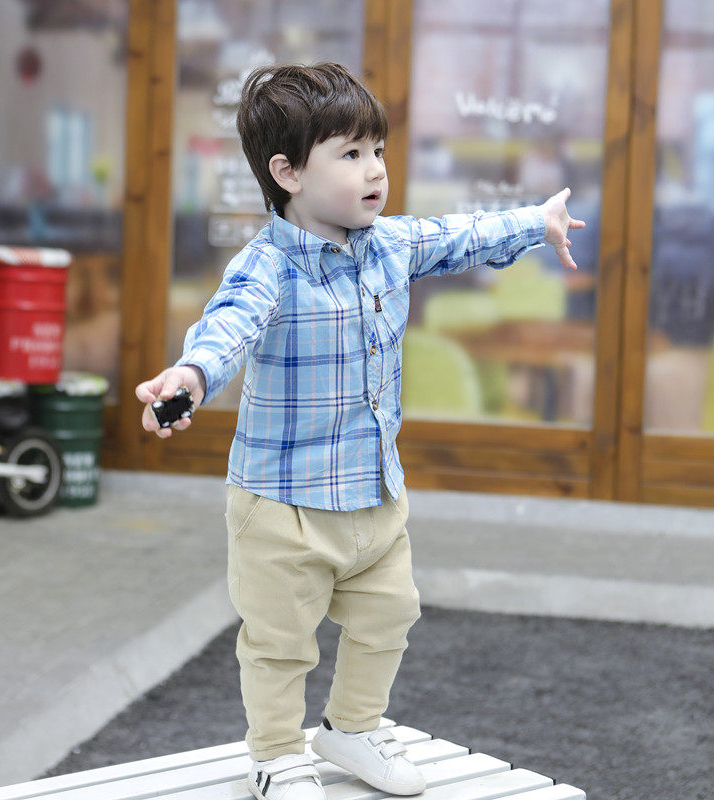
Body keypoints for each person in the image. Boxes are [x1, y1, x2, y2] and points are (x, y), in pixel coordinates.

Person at [135, 62, 585, 800]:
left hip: (374, 494)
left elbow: (461, 234)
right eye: (350, 154)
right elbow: (226, 328)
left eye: (377, 149)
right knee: (280, 643)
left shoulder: (390, 244)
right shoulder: (268, 268)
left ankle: (351, 728)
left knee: (390, 616)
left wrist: (536, 223)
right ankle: (275, 755)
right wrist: (189, 377)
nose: (375, 169)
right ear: (287, 173)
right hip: (282, 506)